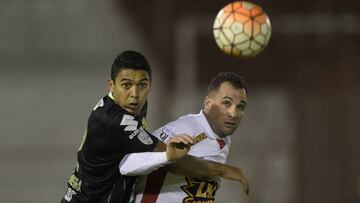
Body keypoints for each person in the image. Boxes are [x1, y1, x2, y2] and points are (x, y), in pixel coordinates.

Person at [60, 50, 194, 203]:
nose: (135, 94)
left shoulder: (133, 105)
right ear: (111, 85)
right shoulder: (114, 120)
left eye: (142, 85)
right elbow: (171, 153)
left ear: (150, 84)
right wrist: (220, 169)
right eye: (126, 85)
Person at [118, 72, 249, 203]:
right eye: (227, 103)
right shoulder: (185, 128)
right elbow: (126, 163)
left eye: (240, 107)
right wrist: (166, 156)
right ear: (208, 103)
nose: (233, 113)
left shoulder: (223, 140)